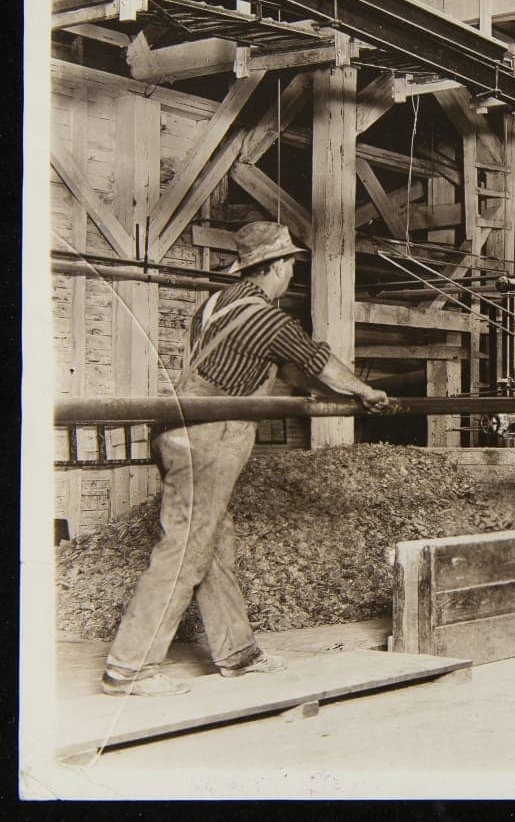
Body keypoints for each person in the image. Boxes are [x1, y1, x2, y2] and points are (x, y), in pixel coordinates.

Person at [102, 222, 389, 697]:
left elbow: (297, 370)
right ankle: (129, 667)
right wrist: (367, 391)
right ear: (275, 266)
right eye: (291, 264)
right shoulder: (266, 318)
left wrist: (336, 390)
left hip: (180, 429)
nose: (292, 272)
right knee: (187, 546)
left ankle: (237, 652)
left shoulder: (218, 305)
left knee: (212, 541)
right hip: (208, 436)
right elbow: (316, 364)